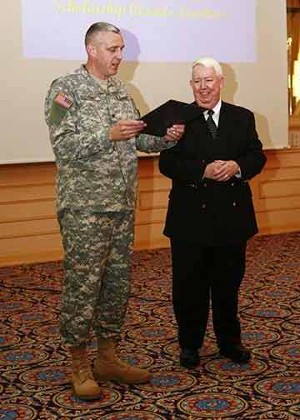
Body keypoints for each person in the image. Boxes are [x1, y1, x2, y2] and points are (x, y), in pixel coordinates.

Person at [44, 22, 184, 400]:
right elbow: (64, 146)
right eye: (114, 49)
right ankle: (78, 363)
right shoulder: (65, 89)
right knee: (83, 285)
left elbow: (136, 137)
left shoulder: (122, 91)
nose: (120, 56)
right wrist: (108, 134)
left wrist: (166, 139)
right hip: (84, 207)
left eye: (122, 49)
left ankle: (107, 357)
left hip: (122, 205)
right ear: (92, 49)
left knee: (117, 285)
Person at [159, 57, 267, 369]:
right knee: (188, 288)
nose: (203, 87)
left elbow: (256, 155)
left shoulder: (242, 117)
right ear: (190, 85)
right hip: (189, 219)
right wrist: (202, 170)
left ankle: (230, 343)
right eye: (197, 81)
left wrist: (237, 167)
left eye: (209, 80)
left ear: (221, 82)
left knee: (227, 285)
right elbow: (167, 163)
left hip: (232, 218)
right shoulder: (178, 118)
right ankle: (190, 345)